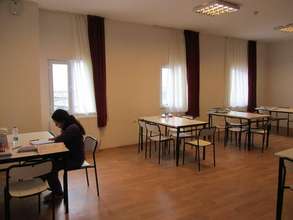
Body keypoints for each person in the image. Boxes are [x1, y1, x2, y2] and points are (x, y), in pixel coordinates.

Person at [44, 109, 85, 202]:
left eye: (56, 122)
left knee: (50, 167)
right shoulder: (69, 126)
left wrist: (55, 139)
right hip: (69, 156)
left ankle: (58, 193)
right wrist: (56, 139)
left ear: (62, 120)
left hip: (75, 160)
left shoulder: (72, 128)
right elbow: (62, 139)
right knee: (49, 163)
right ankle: (53, 187)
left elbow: (60, 140)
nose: (56, 125)